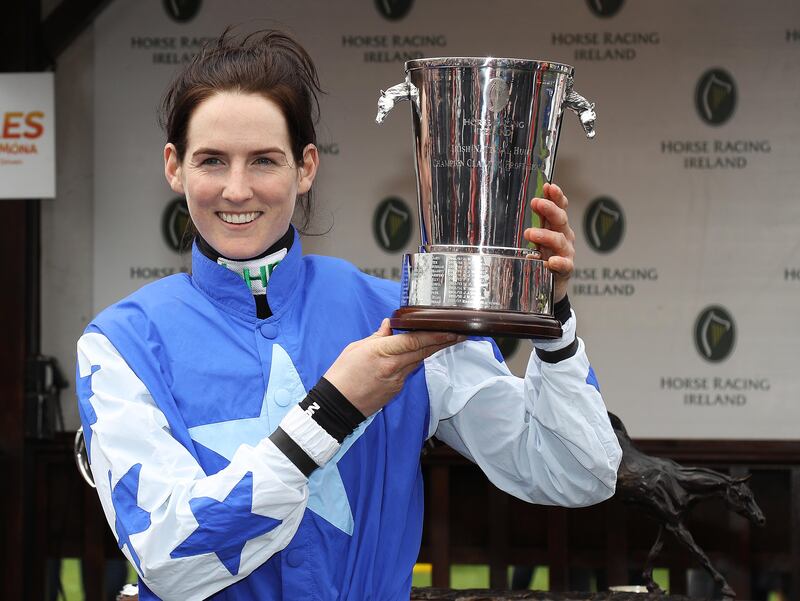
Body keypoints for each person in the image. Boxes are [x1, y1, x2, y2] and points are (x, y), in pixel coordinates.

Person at [76, 29, 622, 601]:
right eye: (212, 160)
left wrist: (553, 320)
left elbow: (576, 472)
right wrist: (333, 409)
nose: (236, 190)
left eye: (264, 160)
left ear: (306, 167)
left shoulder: (401, 318)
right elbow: (171, 558)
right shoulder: (121, 344)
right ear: (175, 167)